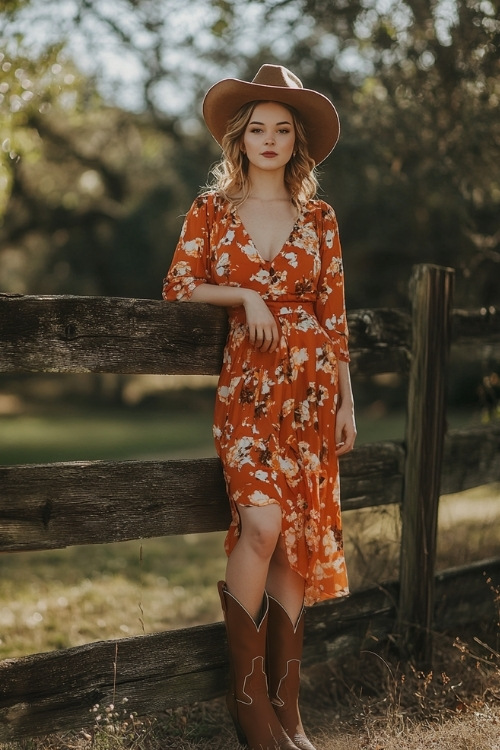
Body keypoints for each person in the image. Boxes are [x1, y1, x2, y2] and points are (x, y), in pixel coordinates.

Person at [163, 64, 356, 750]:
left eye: (281, 130)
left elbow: (334, 318)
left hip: (311, 398)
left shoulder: (322, 218)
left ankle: (288, 713)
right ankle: (248, 710)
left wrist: (346, 404)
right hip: (247, 393)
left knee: (295, 542)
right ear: (238, 140)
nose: (268, 140)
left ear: (295, 141)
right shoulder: (211, 211)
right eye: (256, 130)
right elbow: (181, 285)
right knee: (262, 525)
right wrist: (245, 296)